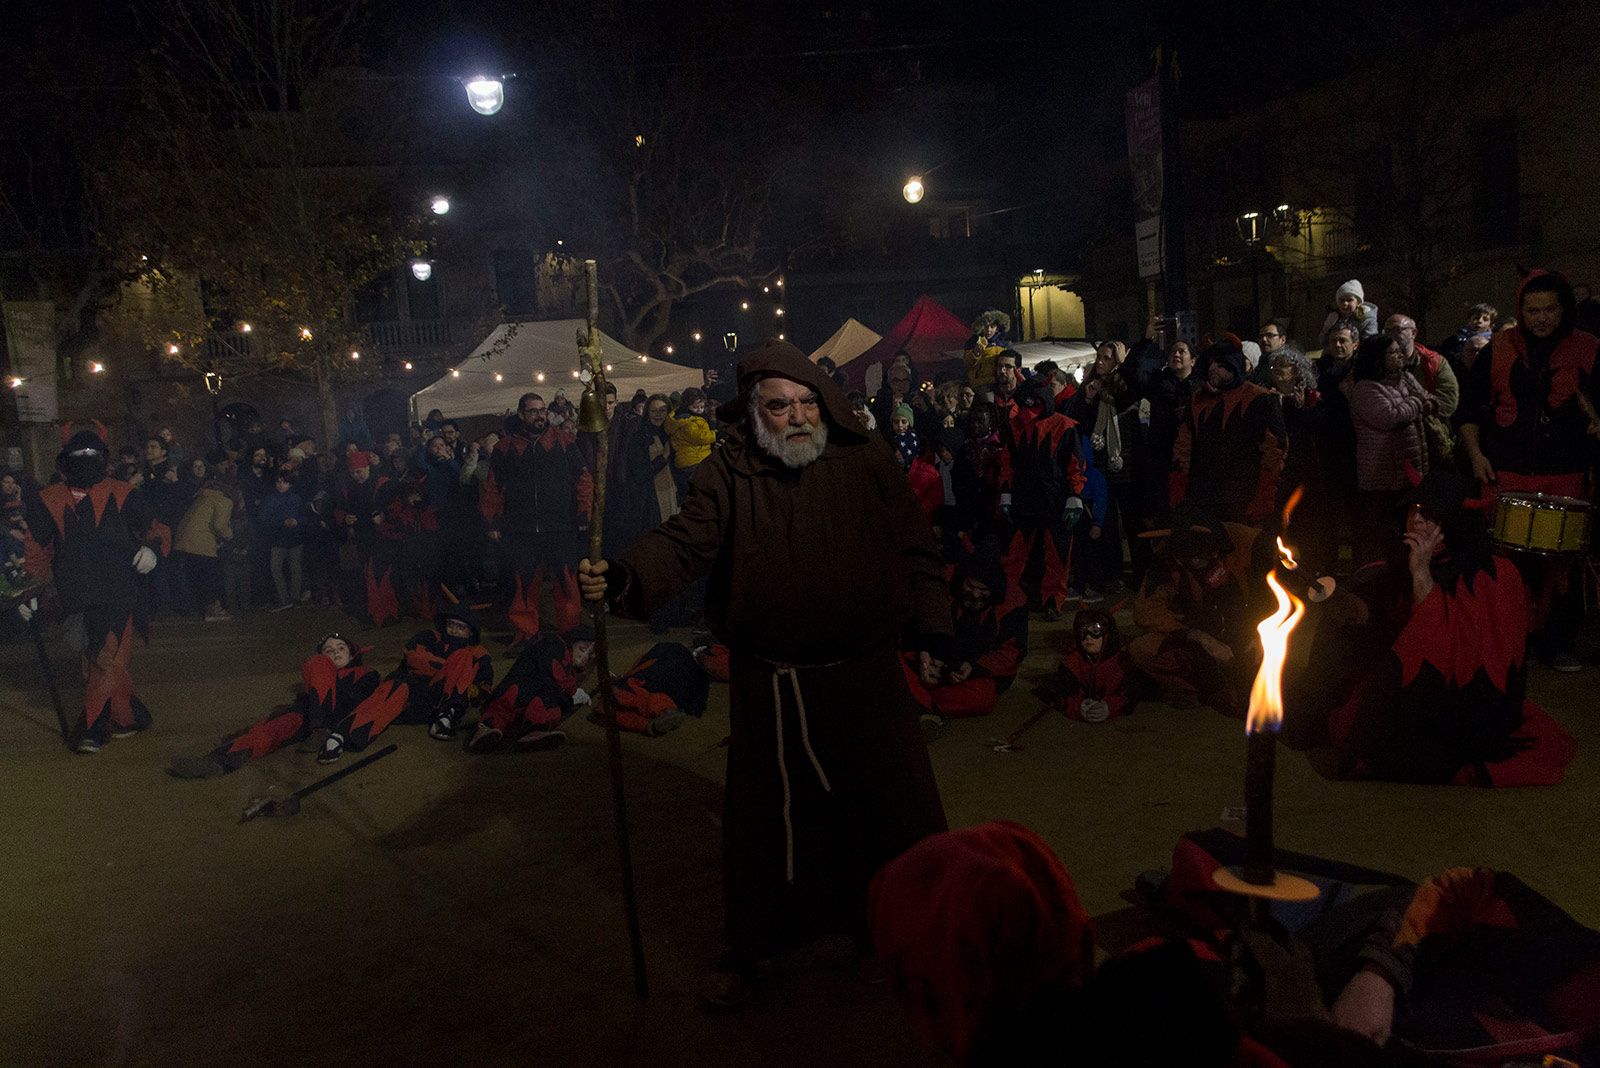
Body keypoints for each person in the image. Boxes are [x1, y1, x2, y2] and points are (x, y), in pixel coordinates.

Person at [578, 338, 951, 1009]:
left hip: (864, 679)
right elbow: (684, 543)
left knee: (890, 815)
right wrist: (627, 575)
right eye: (780, 407)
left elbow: (916, 547)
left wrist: (932, 626)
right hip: (773, 684)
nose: (799, 416)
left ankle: (906, 934)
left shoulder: (867, 462)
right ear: (755, 415)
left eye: (808, 402)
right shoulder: (729, 474)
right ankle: (761, 945)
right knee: (770, 829)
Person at [1313, 470, 1575, 785]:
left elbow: (1441, 647)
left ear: (1453, 521)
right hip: (1411, 696)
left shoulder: (1493, 576)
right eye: (1415, 511)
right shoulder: (1395, 562)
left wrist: (1421, 574)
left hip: (1464, 708)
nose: (1418, 523)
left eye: (1430, 516)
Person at [1458, 269, 1600, 671]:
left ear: (1564, 309)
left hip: (1566, 471)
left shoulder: (1589, 349)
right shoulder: (1498, 347)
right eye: (1532, 309)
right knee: (1507, 564)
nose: (1541, 318)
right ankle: (1512, 641)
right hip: (1508, 470)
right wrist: (1476, 454)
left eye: (1550, 309)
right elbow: (1468, 409)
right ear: (1520, 310)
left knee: (1562, 566)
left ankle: (1557, 644)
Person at [20, 426, 167, 753]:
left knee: (106, 657)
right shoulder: (49, 499)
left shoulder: (124, 493)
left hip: (119, 590)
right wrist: (30, 591)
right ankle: (130, 716)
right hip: (75, 594)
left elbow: (155, 529)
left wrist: (152, 549)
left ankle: (91, 728)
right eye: (78, 457)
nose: (85, 462)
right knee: (98, 661)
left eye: (92, 456)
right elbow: (37, 549)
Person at [168, 634, 381, 777]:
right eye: (328, 650)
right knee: (271, 730)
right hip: (309, 716)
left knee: (316, 666)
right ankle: (217, 762)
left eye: (341, 648)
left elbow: (361, 702)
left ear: (353, 654)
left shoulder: (366, 673)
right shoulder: (319, 672)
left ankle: (322, 729)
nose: (335, 652)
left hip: (338, 717)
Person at [1128, 506, 1274, 713]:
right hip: (1203, 635)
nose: (1197, 562)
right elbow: (1146, 611)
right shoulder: (1168, 561)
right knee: (1143, 648)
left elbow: (1276, 595)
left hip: (1251, 629)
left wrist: (1263, 634)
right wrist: (1198, 637)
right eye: (1190, 558)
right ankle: (1203, 689)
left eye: (1202, 556)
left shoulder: (1245, 543)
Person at [481, 392, 593, 651]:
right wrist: (493, 521)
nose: (539, 415)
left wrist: (583, 512)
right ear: (521, 415)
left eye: (542, 410)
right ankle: (525, 635)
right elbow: (493, 487)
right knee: (524, 584)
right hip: (521, 529)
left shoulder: (565, 442)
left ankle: (571, 633)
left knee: (566, 582)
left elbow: (583, 479)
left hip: (560, 527)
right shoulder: (505, 448)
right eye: (533, 411)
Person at [319, 604, 493, 762]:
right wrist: (453, 672)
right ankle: (341, 736)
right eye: (451, 624)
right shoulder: (429, 637)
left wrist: (465, 687)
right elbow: (415, 659)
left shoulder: (476, 654)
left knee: (463, 657)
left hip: (439, 702)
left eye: (460, 627)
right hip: (409, 696)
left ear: (470, 632)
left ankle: (446, 718)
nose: (454, 630)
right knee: (394, 686)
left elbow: (484, 689)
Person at [903, 541, 1027, 733]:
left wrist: (973, 667)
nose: (976, 594)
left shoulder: (1012, 604)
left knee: (982, 698)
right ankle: (919, 704)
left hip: (971, 672)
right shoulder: (943, 583)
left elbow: (1011, 653)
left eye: (983, 590)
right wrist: (925, 652)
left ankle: (919, 704)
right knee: (895, 661)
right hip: (934, 657)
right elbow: (917, 619)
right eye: (971, 586)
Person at [1001, 379, 1097, 620]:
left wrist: (1074, 496)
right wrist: (1006, 493)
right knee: (1017, 554)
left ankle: (1053, 599)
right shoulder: (1015, 426)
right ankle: (1013, 598)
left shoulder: (1064, 426)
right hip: (1025, 500)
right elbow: (1007, 463)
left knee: (1057, 554)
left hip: (1056, 501)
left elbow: (1076, 464)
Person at [1171, 341, 1287, 527]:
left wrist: (1264, 495)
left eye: (1221, 365)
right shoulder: (1199, 400)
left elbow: (1274, 450)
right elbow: (1183, 447)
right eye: (1211, 364)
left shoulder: (1260, 399)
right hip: (1204, 496)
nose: (1213, 369)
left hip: (1243, 495)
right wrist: (1180, 488)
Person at [1065, 340, 1146, 594]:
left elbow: (1131, 386)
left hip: (1125, 462)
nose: (1101, 361)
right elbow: (1074, 418)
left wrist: (1137, 350)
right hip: (1099, 466)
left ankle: (1141, 574)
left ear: (1118, 361)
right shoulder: (1089, 387)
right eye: (1099, 356)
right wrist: (1087, 399)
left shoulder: (1124, 385)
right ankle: (1112, 573)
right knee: (1105, 524)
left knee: (1133, 521)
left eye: (1107, 357)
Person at [1350, 332, 1433, 566]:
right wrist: (1416, 403)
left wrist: (1420, 402)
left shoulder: (1405, 378)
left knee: (1404, 534)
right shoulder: (1365, 389)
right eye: (1392, 352)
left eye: (1399, 351)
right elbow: (1389, 417)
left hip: (1409, 473)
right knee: (1378, 537)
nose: (1399, 356)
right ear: (1377, 357)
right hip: (1381, 477)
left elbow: (1429, 399)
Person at [467, 627, 595, 752]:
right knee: (513, 697)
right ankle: (485, 729)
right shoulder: (554, 645)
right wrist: (570, 697)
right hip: (520, 688)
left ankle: (534, 731)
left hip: (531, 701)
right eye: (582, 649)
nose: (584, 657)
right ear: (572, 642)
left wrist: (570, 696)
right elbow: (553, 675)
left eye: (589, 655)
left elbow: (562, 686)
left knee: (547, 702)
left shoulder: (569, 667)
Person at [599, 640, 715, 737]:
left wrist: (625, 678)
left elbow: (643, 664)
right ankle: (653, 722)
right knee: (641, 690)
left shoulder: (672, 650)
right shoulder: (680, 655)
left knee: (628, 693)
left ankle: (653, 721)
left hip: (660, 686)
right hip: (680, 690)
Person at [1140, 338, 1196, 529]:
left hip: (1192, 459)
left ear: (1193, 360)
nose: (1177, 355)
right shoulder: (1158, 383)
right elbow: (1134, 375)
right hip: (1162, 457)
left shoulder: (1200, 387)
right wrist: (1145, 342)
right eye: (1173, 351)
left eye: (1182, 351)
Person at [173, 458, 236, 620]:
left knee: (195, 577)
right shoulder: (224, 501)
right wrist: (230, 535)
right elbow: (220, 525)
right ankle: (212, 610)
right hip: (201, 542)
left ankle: (197, 609)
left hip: (185, 540)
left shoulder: (204, 496)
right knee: (209, 578)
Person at [1057, 608, 1139, 722]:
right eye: (1082, 631)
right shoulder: (1071, 664)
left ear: (1107, 634)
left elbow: (1130, 694)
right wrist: (1079, 707)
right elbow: (1064, 694)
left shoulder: (1122, 663)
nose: (1088, 637)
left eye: (1095, 630)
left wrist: (1109, 707)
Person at [257, 468, 307, 610]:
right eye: (278, 482)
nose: (281, 485)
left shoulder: (296, 499)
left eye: (284, 482)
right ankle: (285, 598)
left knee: (294, 568)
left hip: (294, 539)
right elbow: (263, 518)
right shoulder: (270, 499)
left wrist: (297, 521)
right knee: (276, 569)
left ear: (290, 484)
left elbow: (304, 517)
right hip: (278, 540)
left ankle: (294, 597)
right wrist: (282, 522)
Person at [664, 387, 716, 498]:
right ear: (687, 405)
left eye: (702, 407)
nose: (699, 410)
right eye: (696, 407)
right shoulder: (687, 421)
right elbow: (699, 437)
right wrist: (715, 434)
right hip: (694, 461)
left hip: (693, 460)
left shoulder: (692, 418)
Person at [1319, 279, 1380, 349]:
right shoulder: (1334, 317)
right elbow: (1323, 342)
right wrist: (1327, 327)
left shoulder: (1367, 318)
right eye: (1342, 300)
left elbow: (1370, 343)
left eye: (1349, 300)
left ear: (1358, 302)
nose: (1345, 303)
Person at [964, 310, 1011, 391]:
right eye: (986, 326)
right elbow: (967, 365)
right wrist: (975, 353)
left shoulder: (1003, 343)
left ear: (997, 328)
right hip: (980, 384)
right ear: (981, 327)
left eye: (992, 326)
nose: (989, 330)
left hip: (999, 383)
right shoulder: (973, 342)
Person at [889, 403, 920, 470]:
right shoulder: (890, 440)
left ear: (909, 423)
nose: (900, 425)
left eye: (904, 422)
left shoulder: (913, 439)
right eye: (896, 422)